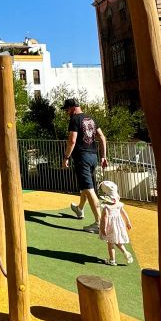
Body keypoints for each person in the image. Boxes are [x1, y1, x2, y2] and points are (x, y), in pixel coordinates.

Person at [61, 98, 107, 233]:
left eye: (67, 109)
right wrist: (103, 156)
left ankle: (99, 223)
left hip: (82, 157)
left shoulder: (74, 119)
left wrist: (66, 157)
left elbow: (72, 140)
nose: (67, 112)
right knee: (87, 187)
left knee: (88, 189)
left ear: (73, 108)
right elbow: (102, 137)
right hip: (93, 157)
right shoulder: (91, 118)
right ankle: (80, 208)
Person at [97, 179, 133, 265]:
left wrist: (103, 228)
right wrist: (128, 222)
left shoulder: (106, 206)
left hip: (110, 226)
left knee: (110, 244)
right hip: (118, 225)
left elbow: (105, 218)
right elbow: (124, 213)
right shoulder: (118, 204)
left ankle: (112, 260)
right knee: (117, 241)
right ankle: (125, 252)